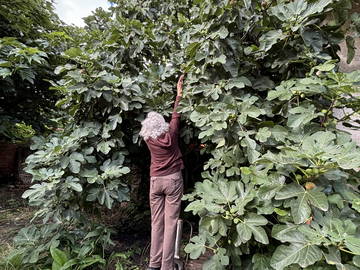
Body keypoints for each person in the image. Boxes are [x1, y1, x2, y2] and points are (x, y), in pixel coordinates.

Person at [139, 75, 185, 270]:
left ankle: (153, 264)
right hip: (173, 180)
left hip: (155, 181)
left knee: (156, 223)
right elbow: (176, 114)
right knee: (171, 223)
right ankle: (167, 266)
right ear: (163, 125)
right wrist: (179, 93)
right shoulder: (171, 134)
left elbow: (149, 128)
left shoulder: (148, 139)